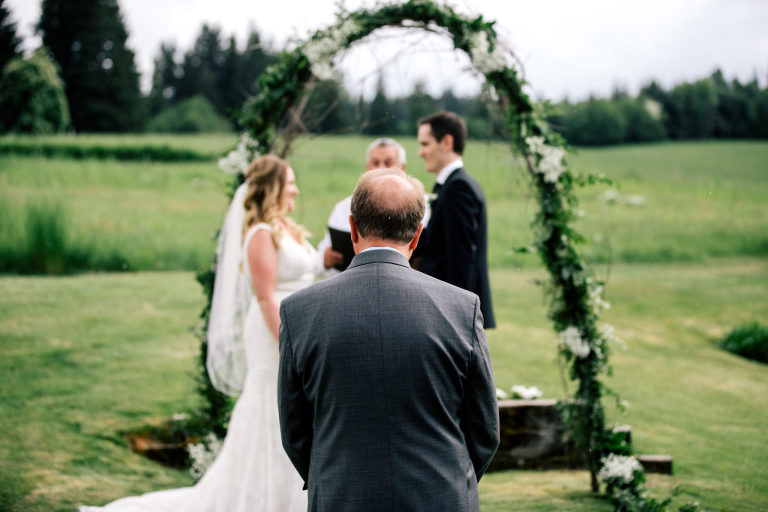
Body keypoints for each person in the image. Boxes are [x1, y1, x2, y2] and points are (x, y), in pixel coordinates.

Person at [80, 155, 313, 512]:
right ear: (274, 187)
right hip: (274, 331)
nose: (296, 189)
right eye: (291, 182)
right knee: (270, 400)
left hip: (295, 325)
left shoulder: (284, 227)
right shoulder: (260, 234)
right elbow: (266, 296)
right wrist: (289, 343)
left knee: (288, 402)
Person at [277, 168, 500, 511]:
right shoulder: (461, 308)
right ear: (417, 236)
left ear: (353, 229)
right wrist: (452, 481)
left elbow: (295, 431)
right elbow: (485, 429)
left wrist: (333, 479)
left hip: (343, 497)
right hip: (439, 497)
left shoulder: (299, 311)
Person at [414, 111, 496, 328]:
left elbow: (462, 260)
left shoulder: (458, 189)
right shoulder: (448, 186)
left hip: (453, 313)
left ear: (447, 142)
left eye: (425, 144)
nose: (420, 152)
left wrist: (457, 319)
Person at [316, 137, 430, 275]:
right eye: (375, 163)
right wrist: (325, 260)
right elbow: (322, 256)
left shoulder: (422, 206)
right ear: (367, 167)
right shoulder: (344, 208)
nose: (381, 168)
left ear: (402, 167)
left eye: (388, 163)